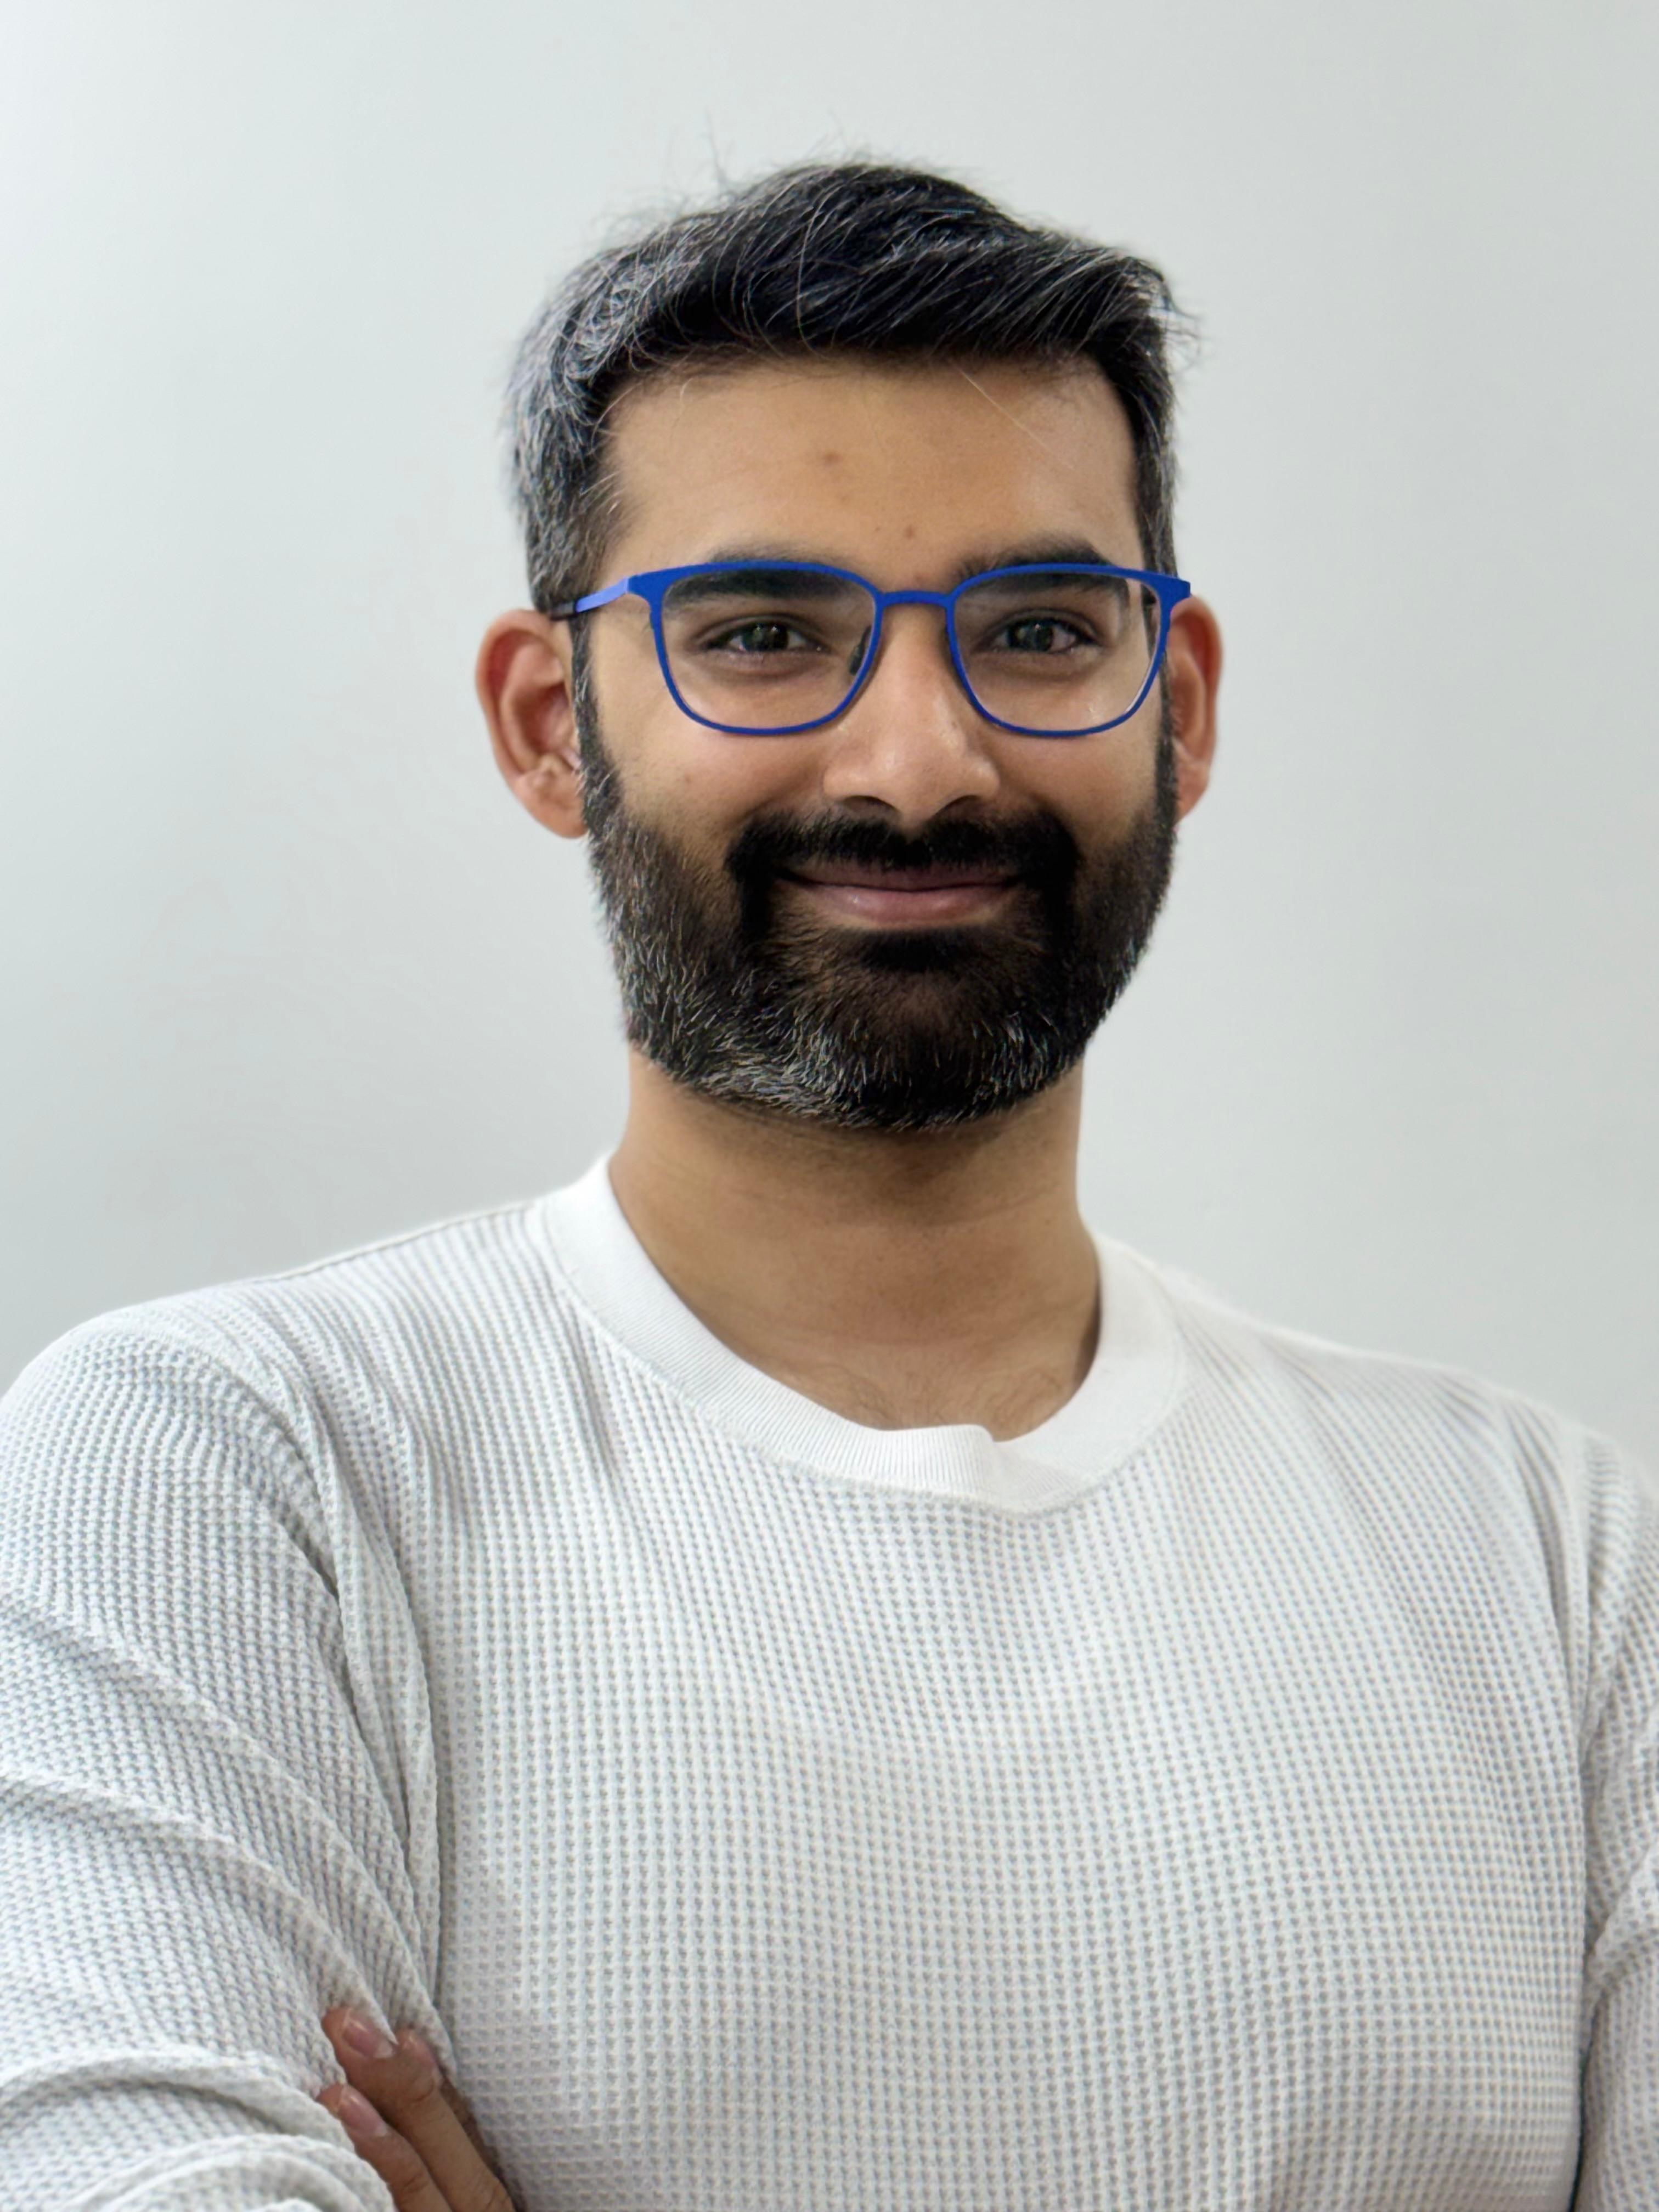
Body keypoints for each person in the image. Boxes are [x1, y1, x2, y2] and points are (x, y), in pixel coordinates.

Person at [0, 160, 1651, 2212]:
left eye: (1038, 631)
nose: (918, 764)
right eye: (767, 635)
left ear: (1180, 707)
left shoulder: (1553, 1561)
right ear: (551, 726)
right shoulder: (230, 1476)